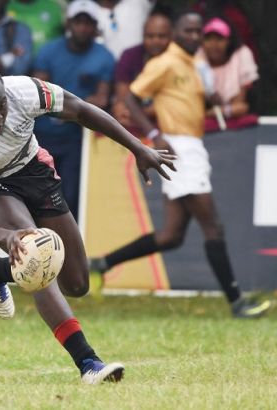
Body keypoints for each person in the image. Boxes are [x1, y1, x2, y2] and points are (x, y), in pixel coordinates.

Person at [0, 64, 176, 384]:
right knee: (37, 259)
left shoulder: (24, 91)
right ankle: (88, 363)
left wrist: (137, 147)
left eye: (0, 107)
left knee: (77, 283)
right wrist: (7, 236)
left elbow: (81, 110)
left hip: (33, 170)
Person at [88, 12, 271, 319]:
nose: (196, 36)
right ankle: (238, 302)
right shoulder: (165, 62)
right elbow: (132, 97)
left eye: (199, 30)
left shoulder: (192, 62)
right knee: (213, 226)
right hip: (179, 147)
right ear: (176, 32)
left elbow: (185, 100)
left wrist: (209, 99)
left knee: (171, 236)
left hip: (190, 146)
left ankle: (101, 264)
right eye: (189, 30)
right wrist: (155, 133)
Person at [32, 0, 115, 219]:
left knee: (70, 195)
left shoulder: (104, 56)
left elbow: (102, 98)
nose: (83, 28)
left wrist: (75, 106)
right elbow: (39, 92)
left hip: (76, 138)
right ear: (69, 23)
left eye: (88, 23)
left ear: (95, 26)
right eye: (78, 22)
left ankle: (68, 247)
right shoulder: (49, 50)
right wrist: (76, 104)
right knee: (37, 192)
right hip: (43, 134)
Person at [195, 17, 258, 132]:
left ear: (229, 40)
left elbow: (240, 107)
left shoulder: (241, 55)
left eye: (219, 38)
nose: (214, 44)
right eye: (208, 39)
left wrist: (216, 112)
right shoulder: (197, 56)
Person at [112, 11, 172, 131]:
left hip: (167, 126)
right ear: (143, 36)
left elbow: (169, 106)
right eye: (150, 36)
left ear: (171, 37)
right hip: (134, 121)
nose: (155, 41)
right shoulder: (129, 55)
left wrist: (137, 114)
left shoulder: (177, 59)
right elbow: (122, 99)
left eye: (161, 36)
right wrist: (122, 110)